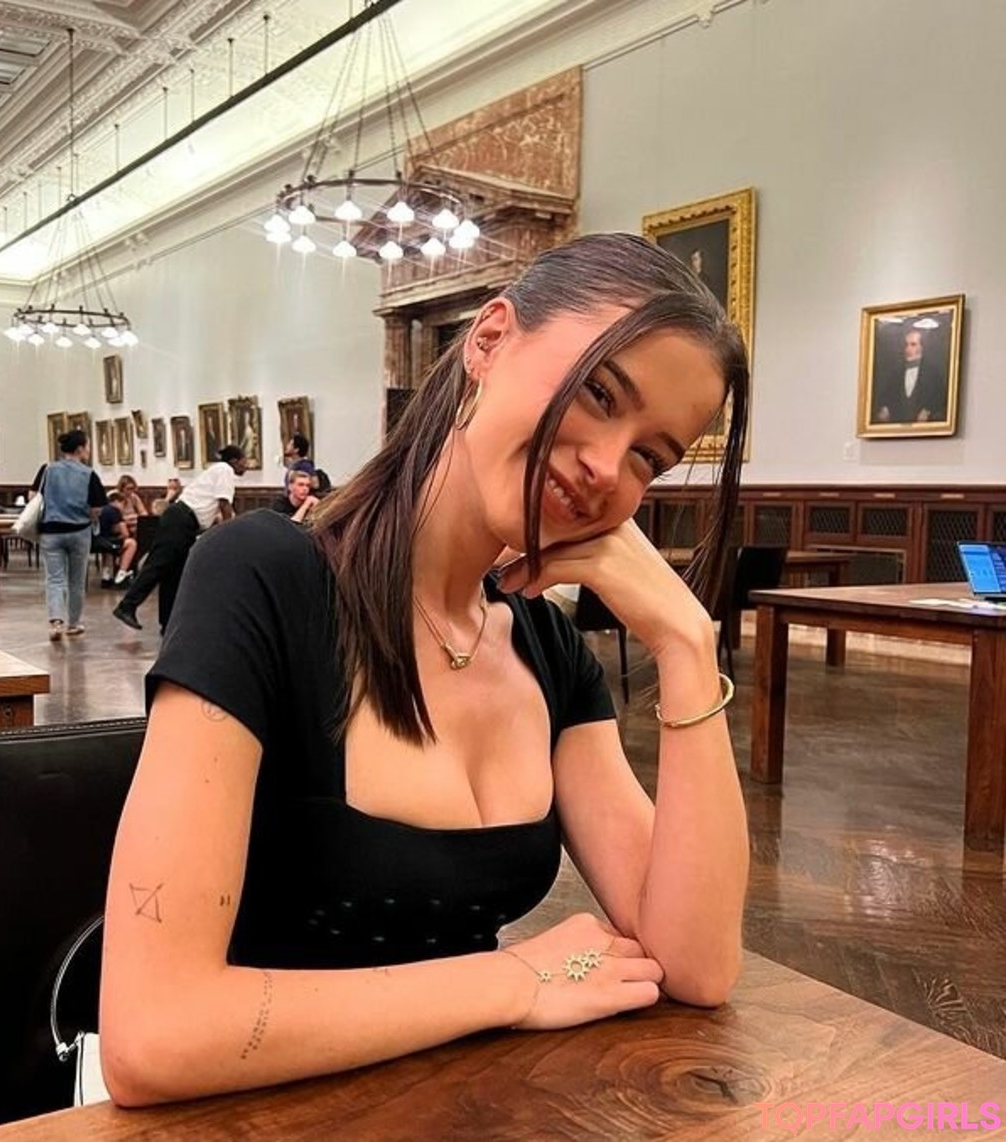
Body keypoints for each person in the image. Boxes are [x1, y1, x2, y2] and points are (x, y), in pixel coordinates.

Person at [100, 233, 750, 1108]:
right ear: (489, 341)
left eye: (649, 457)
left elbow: (697, 966)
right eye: (599, 393)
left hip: (462, 1107)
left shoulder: (546, 649)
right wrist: (512, 982)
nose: (606, 466)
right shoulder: (263, 579)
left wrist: (686, 643)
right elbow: (155, 1034)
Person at [112, 444, 248, 633]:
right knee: (158, 564)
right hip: (181, 520)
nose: (246, 465)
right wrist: (230, 532)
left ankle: (167, 622)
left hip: (183, 521)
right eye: (244, 461)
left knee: (174, 573)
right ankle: (127, 605)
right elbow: (224, 504)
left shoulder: (217, 471)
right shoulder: (225, 470)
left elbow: (217, 508)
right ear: (234, 461)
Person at [32, 429, 108, 641]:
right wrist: (85, 516)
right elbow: (97, 508)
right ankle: (74, 623)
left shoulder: (48, 470)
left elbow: (33, 496)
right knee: (76, 580)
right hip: (79, 531)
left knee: (54, 579)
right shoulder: (89, 474)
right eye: (87, 446)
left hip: (51, 531)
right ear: (80, 449)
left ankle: (56, 622)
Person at [872, 327, 948, 424]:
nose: (908, 349)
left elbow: (940, 401)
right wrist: (885, 409)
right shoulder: (896, 373)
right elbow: (886, 398)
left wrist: (929, 411)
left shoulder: (933, 373)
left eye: (913, 345)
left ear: (922, 347)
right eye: (906, 345)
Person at [95, 491, 138, 587]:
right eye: (123, 504)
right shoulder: (114, 510)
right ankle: (121, 574)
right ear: (116, 501)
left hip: (94, 542)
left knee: (109, 548)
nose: (123, 508)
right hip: (106, 542)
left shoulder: (100, 509)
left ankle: (106, 576)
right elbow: (125, 533)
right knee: (131, 543)